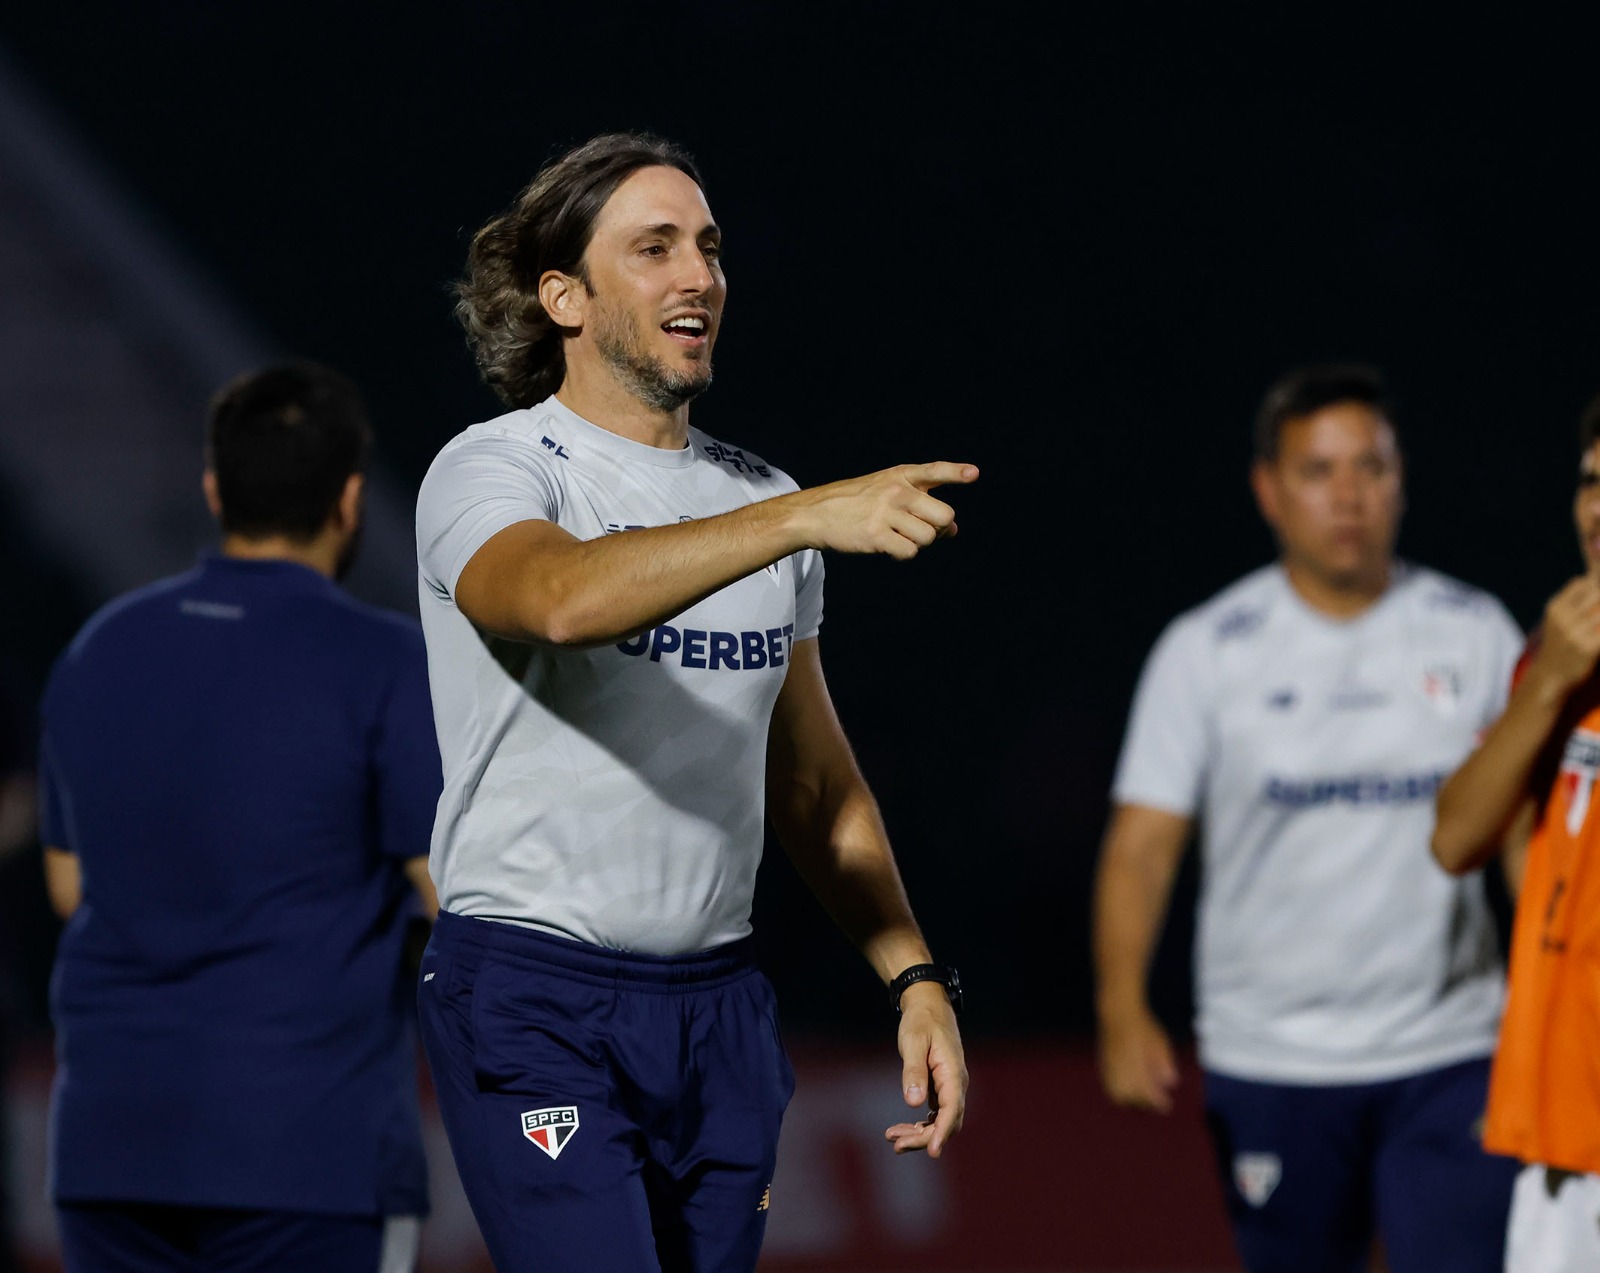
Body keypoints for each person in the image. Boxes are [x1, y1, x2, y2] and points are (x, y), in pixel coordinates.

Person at [415, 131, 970, 1273]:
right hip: (535, 995)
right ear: (563, 296)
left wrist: (912, 976)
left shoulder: (760, 497)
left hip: (717, 1007)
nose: (698, 276)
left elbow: (814, 783)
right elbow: (560, 599)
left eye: (709, 248)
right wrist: (799, 517)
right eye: (654, 247)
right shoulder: (497, 468)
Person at [1093, 364, 1523, 1272]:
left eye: (1370, 467)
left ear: (1401, 481)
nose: (1348, 495)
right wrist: (1121, 1006)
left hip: (1452, 1051)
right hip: (1274, 1057)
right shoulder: (1206, 650)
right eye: (1319, 470)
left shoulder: (1478, 632)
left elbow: (1528, 840)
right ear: (1269, 488)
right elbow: (1141, 849)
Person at [38, 363, 442, 1273]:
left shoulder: (100, 647)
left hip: (113, 1143)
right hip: (307, 1150)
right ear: (349, 501)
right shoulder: (384, 662)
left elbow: (71, 888)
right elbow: (451, 895)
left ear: (216, 487)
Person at [1432, 393, 1600, 1272]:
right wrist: (1548, 686)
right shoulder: (1555, 656)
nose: (1599, 509)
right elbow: (1457, 840)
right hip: (1559, 1129)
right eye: (1590, 482)